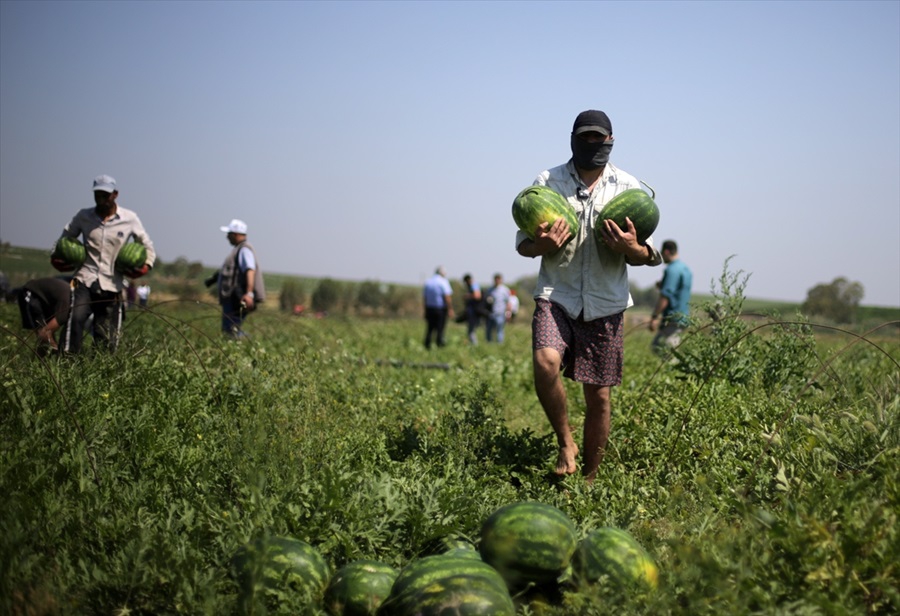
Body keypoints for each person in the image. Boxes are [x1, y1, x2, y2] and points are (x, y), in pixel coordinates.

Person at [515, 109, 662, 483]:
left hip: (605, 302)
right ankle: (566, 443)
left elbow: (649, 255)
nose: (593, 144)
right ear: (573, 139)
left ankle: (590, 480)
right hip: (556, 295)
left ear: (610, 142)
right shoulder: (547, 182)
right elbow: (523, 247)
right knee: (546, 363)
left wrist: (632, 248)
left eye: (600, 139)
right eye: (586, 138)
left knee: (598, 397)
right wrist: (540, 244)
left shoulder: (629, 188)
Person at [54, 174, 155, 353]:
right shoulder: (84, 216)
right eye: (97, 194)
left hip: (112, 282)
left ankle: (102, 367)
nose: (101, 199)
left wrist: (145, 266)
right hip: (84, 278)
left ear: (115, 194)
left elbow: (147, 244)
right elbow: (65, 239)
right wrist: (57, 257)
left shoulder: (129, 218)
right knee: (75, 318)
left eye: (105, 195)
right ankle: (66, 361)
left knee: (106, 329)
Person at [205, 219, 266, 338]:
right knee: (230, 329)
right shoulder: (238, 250)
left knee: (230, 330)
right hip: (234, 297)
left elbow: (250, 270)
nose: (227, 237)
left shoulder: (244, 250)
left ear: (236, 234)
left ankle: (249, 343)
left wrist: (249, 294)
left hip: (237, 298)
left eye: (229, 234)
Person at [649, 240, 692, 355]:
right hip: (682, 316)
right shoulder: (685, 269)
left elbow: (665, 297)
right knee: (658, 346)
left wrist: (654, 317)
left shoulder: (671, 270)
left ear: (667, 252)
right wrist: (663, 285)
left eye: (662, 253)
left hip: (672, 318)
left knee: (667, 353)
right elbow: (678, 290)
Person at [17, 277, 72, 355]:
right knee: (43, 332)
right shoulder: (67, 309)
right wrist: (57, 352)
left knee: (46, 338)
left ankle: (41, 361)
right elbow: (44, 332)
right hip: (31, 292)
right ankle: (45, 360)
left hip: (46, 299)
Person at [422, 266, 454, 349]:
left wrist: (425, 310)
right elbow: (447, 297)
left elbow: (425, 298)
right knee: (440, 328)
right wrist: (450, 309)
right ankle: (439, 345)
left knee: (430, 328)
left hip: (429, 308)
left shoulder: (428, 282)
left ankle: (427, 345)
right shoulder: (443, 282)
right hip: (440, 309)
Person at [484, 273, 512, 343]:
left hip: (500, 313)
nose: (497, 281)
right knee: (489, 330)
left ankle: (500, 345)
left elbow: (508, 302)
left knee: (499, 331)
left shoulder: (505, 290)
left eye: (498, 279)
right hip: (491, 313)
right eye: (496, 279)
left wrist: (508, 313)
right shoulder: (490, 289)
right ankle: (489, 344)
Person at [461, 273, 482, 345]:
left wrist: (467, 296)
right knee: (471, 331)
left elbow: (477, 295)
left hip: (474, 312)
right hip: (472, 311)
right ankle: (473, 345)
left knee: (471, 331)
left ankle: (474, 346)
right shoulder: (473, 286)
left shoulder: (473, 285)